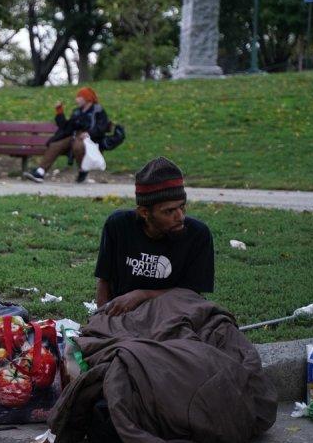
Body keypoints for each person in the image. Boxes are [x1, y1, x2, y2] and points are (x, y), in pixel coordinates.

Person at [94, 157, 214, 316]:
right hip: (125, 316)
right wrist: (101, 318)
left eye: (182, 207)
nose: (180, 217)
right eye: (169, 211)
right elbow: (104, 280)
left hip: (174, 316)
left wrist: (141, 295)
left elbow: (192, 296)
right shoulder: (118, 225)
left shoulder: (198, 234)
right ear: (144, 212)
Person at [24, 86, 110, 184]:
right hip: (74, 136)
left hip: (90, 139)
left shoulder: (98, 110)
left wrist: (89, 133)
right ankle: (40, 172)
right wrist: (59, 112)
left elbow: (102, 126)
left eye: (79, 97)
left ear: (87, 98)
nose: (76, 99)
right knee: (55, 146)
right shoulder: (77, 111)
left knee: (78, 146)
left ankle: (83, 171)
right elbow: (65, 127)